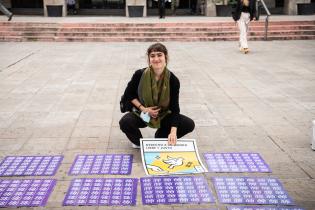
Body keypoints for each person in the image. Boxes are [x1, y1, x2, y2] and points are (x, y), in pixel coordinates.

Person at [119, 43, 195, 148]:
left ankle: (160, 138)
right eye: (152, 56)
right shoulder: (139, 74)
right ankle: (139, 143)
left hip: (163, 114)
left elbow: (175, 108)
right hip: (143, 114)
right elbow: (129, 94)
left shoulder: (173, 80)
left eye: (159, 55)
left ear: (165, 57)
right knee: (125, 122)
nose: (156, 59)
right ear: (149, 59)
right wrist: (144, 109)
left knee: (189, 124)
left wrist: (173, 132)